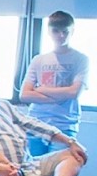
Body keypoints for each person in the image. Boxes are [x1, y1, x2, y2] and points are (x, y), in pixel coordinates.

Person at [20, 11, 86, 149]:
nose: (61, 36)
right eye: (56, 31)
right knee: (33, 167)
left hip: (65, 124)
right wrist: (58, 96)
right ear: (49, 32)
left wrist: (42, 90)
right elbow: (24, 94)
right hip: (36, 122)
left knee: (60, 166)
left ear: (72, 31)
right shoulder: (39, 59)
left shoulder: (80, 59)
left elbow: (74, 92)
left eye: (65, 31)